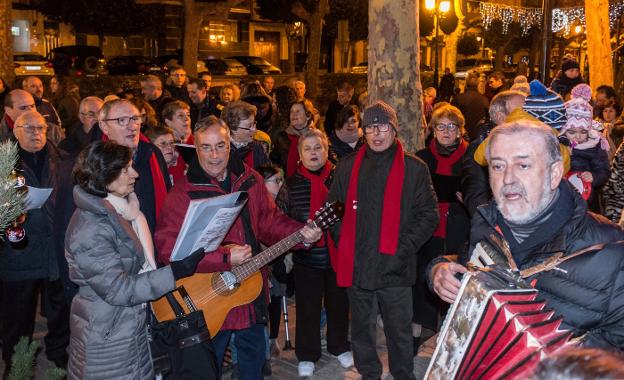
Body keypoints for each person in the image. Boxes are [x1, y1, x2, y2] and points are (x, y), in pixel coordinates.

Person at [429, 120, 624, 350]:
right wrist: (437, 270)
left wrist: (562, 362)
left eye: (523, 166)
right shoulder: (487, 224)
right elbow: (465, 268)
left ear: (554, 173)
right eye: (498, 166)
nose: (508, 179)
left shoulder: (611, 250)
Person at [154, 116, 322, 379]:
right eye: (206, 147)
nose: (214, 155)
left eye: (220, 145)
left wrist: (302, 235)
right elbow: (167, 250)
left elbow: (269, 222)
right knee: (209, 370)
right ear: (195, 149)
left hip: (250, 289)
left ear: (229, 145)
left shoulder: (250, 179)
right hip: (207, 302)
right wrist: (223, 258)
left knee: (253, 366)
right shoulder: (182, 195)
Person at [65, 140, 206, 380]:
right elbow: (119, 290)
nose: (135, 174)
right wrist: (173, 273)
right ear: (104, 176)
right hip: (107, 337)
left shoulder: (119, 211)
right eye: (126, 169)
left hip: (126, 329)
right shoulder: (91, 229)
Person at [327, 101, 439, 380]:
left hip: (396, 267)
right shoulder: (347, 166)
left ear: (394, 129)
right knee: (362, 332)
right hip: (358, 264)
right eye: (370, 127)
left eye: (383, 126)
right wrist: (344, 241)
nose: (377, 133)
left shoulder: (415, 169)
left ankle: (403, 375)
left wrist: (404, 247)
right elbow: (334, 211)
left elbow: (429, 215)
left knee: (399, 333)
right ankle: (369, 374)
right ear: (363, 131)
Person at [276, 129, 352, 377]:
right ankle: (307, 354)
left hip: (338, 253)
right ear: (299, 154)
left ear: (326, 150)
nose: (313, 153)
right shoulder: (290, 184)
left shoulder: (341, 176)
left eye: (317, 147)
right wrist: (301, 231)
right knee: (307, 307)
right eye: (307, 149)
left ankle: (339, 346)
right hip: (306, 257)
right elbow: (280, 220)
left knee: (339, 304)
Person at [0, 111, 70, 375]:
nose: (36, 133)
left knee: (59, 309)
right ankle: (16, 362)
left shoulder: (61, 160)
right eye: (28, 127)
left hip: (54, 250)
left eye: (41, 127)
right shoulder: (5, 161)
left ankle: (58, 352)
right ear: (15, 130)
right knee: (18, 315)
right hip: (19, 251)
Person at [414, 104, 470, 347]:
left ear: (460, 131)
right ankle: (416, 335)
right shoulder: (422, 158)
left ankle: (452, 337)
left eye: (452, 126)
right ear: (432, 129)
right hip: (430, 227)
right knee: (423, 277)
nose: (446, 131)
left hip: (460, 226)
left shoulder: (470, 157)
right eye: (441, 126)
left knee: (456, 281)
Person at [96, 99, 171, 232]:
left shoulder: (152, 152)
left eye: (135, 118)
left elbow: (168, 197)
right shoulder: (96, 162)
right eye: (122, 120)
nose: (133, 126)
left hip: (155, 237)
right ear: (104, 126)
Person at [460, 90, 526, 216]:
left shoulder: (529, 144)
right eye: (520, 112)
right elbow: (476, 197)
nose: (527, 117)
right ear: (501, 117)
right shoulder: (479, 148)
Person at [558, 86, 610, 208]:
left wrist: (594, 176)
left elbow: (604, 170)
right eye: (572, 132)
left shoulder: (595, 144)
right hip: (561, 197)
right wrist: (565, 155)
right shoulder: (559, 144)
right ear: (564, 130)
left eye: (583, 132)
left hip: (587, 198)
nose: (577, 136)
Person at [271, 100, 316, 177]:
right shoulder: (282, 136)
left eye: (298, 111)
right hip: (287, 183)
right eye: (291, 111)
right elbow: (274, 160)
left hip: (309, 182)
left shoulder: (316, 137)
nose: (293, 114)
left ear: (308, 116)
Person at [221, 100, 270, 169]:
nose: (255, 130)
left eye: (253, 123)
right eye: (249, 126)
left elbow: (267, 174)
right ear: (233, 129)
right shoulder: (221, 150)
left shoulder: (258, 147)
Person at [452, 70, 489, 140]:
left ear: (466, 84)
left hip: (462, 135)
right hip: (478, 136)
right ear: (478, 84)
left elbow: (452, 117)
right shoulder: (484, 100)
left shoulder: (458, 98)